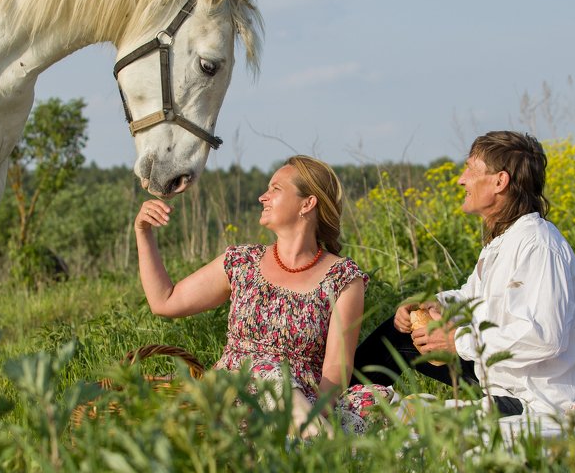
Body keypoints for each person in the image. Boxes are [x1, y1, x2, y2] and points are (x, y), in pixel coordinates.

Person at [135, 155, 390, 437]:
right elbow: (164, 301)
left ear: (307, 203)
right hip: (234, 392)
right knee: (266, 370)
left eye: (275, 189)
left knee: (376, 406)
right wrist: (143, 233)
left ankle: (311, 438)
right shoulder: (242, 262)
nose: (262, 197)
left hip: (305, 402)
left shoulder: (342, 277)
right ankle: (324, 448)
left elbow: (336, 367)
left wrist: (316, 412)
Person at [351, 131, 575, 416]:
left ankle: (338, 414)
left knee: (424, 424)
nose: (462, 179)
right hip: (502, 377)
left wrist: (457, 341)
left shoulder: (538, 245)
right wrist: (436, 303)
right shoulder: (502, 241)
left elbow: (544, 338)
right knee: (399, 332)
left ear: (499, 181)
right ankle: (343, 406)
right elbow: (475, 299)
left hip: (538, 398)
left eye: (471, 169)